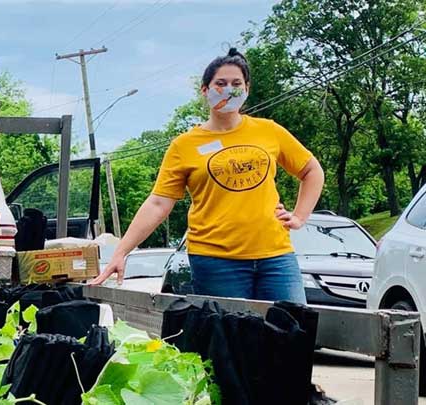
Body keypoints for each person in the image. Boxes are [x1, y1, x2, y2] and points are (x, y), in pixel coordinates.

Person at [90, 48, 324, 304]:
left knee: (292, 332)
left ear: (246, 89)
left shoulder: (268, 131)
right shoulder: (184, 145)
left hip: (276, 257)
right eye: (220, 84)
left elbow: (311, 170)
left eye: (236, 84)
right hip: (216, 262)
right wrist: (121, 252)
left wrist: (300, 216)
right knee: (229, 339)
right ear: (205, 90)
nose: (228, 90)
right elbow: (158, 204)